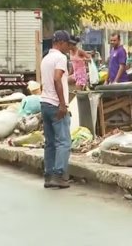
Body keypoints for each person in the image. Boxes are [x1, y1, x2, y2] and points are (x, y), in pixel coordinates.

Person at [40, 30, 76, 189]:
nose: (69, 47)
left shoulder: (46, 58)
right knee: (63, 142)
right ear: (61, 43)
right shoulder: (61, 58)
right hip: (56, 105)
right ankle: (59, 174)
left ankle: (48, 175)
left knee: (50, 142)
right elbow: (56, 78)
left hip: (44, 103)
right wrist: (62, 103)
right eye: (67, 44)